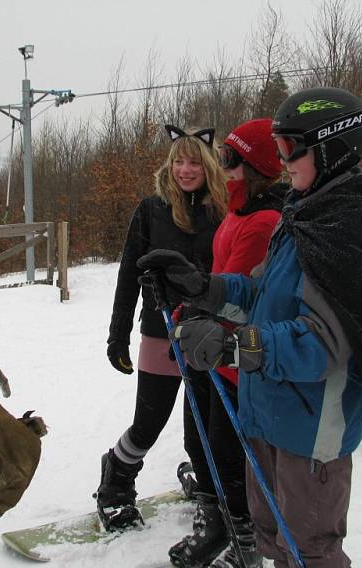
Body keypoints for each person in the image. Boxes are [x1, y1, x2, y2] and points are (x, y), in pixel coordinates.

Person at [138, 87, 362, 568]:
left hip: (310, 428)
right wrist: (205, 286)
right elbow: (260, 293)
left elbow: (324, 343)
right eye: (278, 149)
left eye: (290, 149)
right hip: (267, 414)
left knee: (311, 553)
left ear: (331, 149)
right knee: (278, 544)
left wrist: (231, 348)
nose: (281, 164)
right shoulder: (305, 213)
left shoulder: (348, 226)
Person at [168, 118, 289, 568]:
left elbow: (243, 288)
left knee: (228, 449)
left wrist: (195, 311)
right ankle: (219, 523)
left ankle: (248, 543)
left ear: (254, 165)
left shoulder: (264, 220)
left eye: (229, 159)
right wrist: (188, 295)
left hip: (236, 354)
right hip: (209, 346)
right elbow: (220, 273)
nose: (223, 167)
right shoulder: (239, 212)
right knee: (203, 444)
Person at [97, 124, 228, 531]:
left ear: (208, 166)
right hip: (160, 331)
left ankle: (210, 493)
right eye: (177, 161)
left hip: (208, 333)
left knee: (204, 428)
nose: (184, 170)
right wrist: (117, 334)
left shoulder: (221, 210)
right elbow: (127, 275)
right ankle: (115, 482)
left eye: (193, 162)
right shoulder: (151, 209)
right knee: (149, 422)